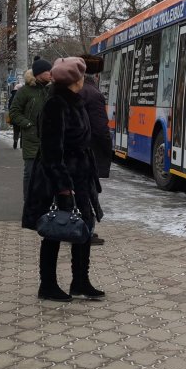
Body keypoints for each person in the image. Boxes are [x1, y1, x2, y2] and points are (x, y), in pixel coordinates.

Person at [22, 56, 104, 302]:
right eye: (81, 76)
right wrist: (64, 189)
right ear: (74, 80)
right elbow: (51, 151)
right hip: (60, 179)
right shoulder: (56, 104)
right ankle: (47, 285)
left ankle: (80, 281)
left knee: (85, 227)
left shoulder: (74, 100)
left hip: (80, 175)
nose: (84, 79)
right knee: (56, 229)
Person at [79, 54, 112, 246]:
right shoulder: (94, 94)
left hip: (72, 152)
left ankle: (73, 226)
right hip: (89, 151)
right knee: (88, 192)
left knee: (76, 191)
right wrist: (108, 148)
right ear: (96, 74)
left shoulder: (65, 91)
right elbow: (100, 128)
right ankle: (85, 232)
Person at [10, 59, 53, 200]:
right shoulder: (25, 91)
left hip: (50, 138)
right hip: (32, 138)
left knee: (49, 172)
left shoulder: (52, 89)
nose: (50, 73)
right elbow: (14, 112)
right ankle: (28, 202)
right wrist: (28, 124)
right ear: (39, 73)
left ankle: (45, 203)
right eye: (48, 71)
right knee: (30, 172)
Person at [7, 84, 21, 149]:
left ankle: (15, 140)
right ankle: (22, 144)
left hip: (14, 115)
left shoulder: (12, 97)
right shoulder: (22, 95)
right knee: (23, 129)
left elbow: (9, 107)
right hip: (22, 115)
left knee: (15, 130)